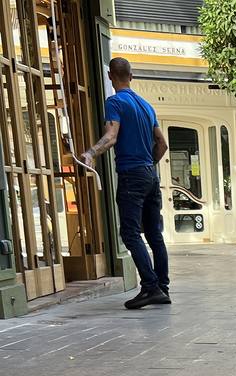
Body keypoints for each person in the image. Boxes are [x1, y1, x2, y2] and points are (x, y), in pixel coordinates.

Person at [83, 57, 169, 310]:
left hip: (132, 174)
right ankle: (162, 286)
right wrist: (148, 165)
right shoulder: (146, 106)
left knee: (130, 233)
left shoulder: (115, 102)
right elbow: (162, 144)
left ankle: (151, 288)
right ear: (131, 76)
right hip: (151, 175)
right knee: (154, 233)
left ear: (111, 76)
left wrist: (90, 153)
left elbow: (111, 137)